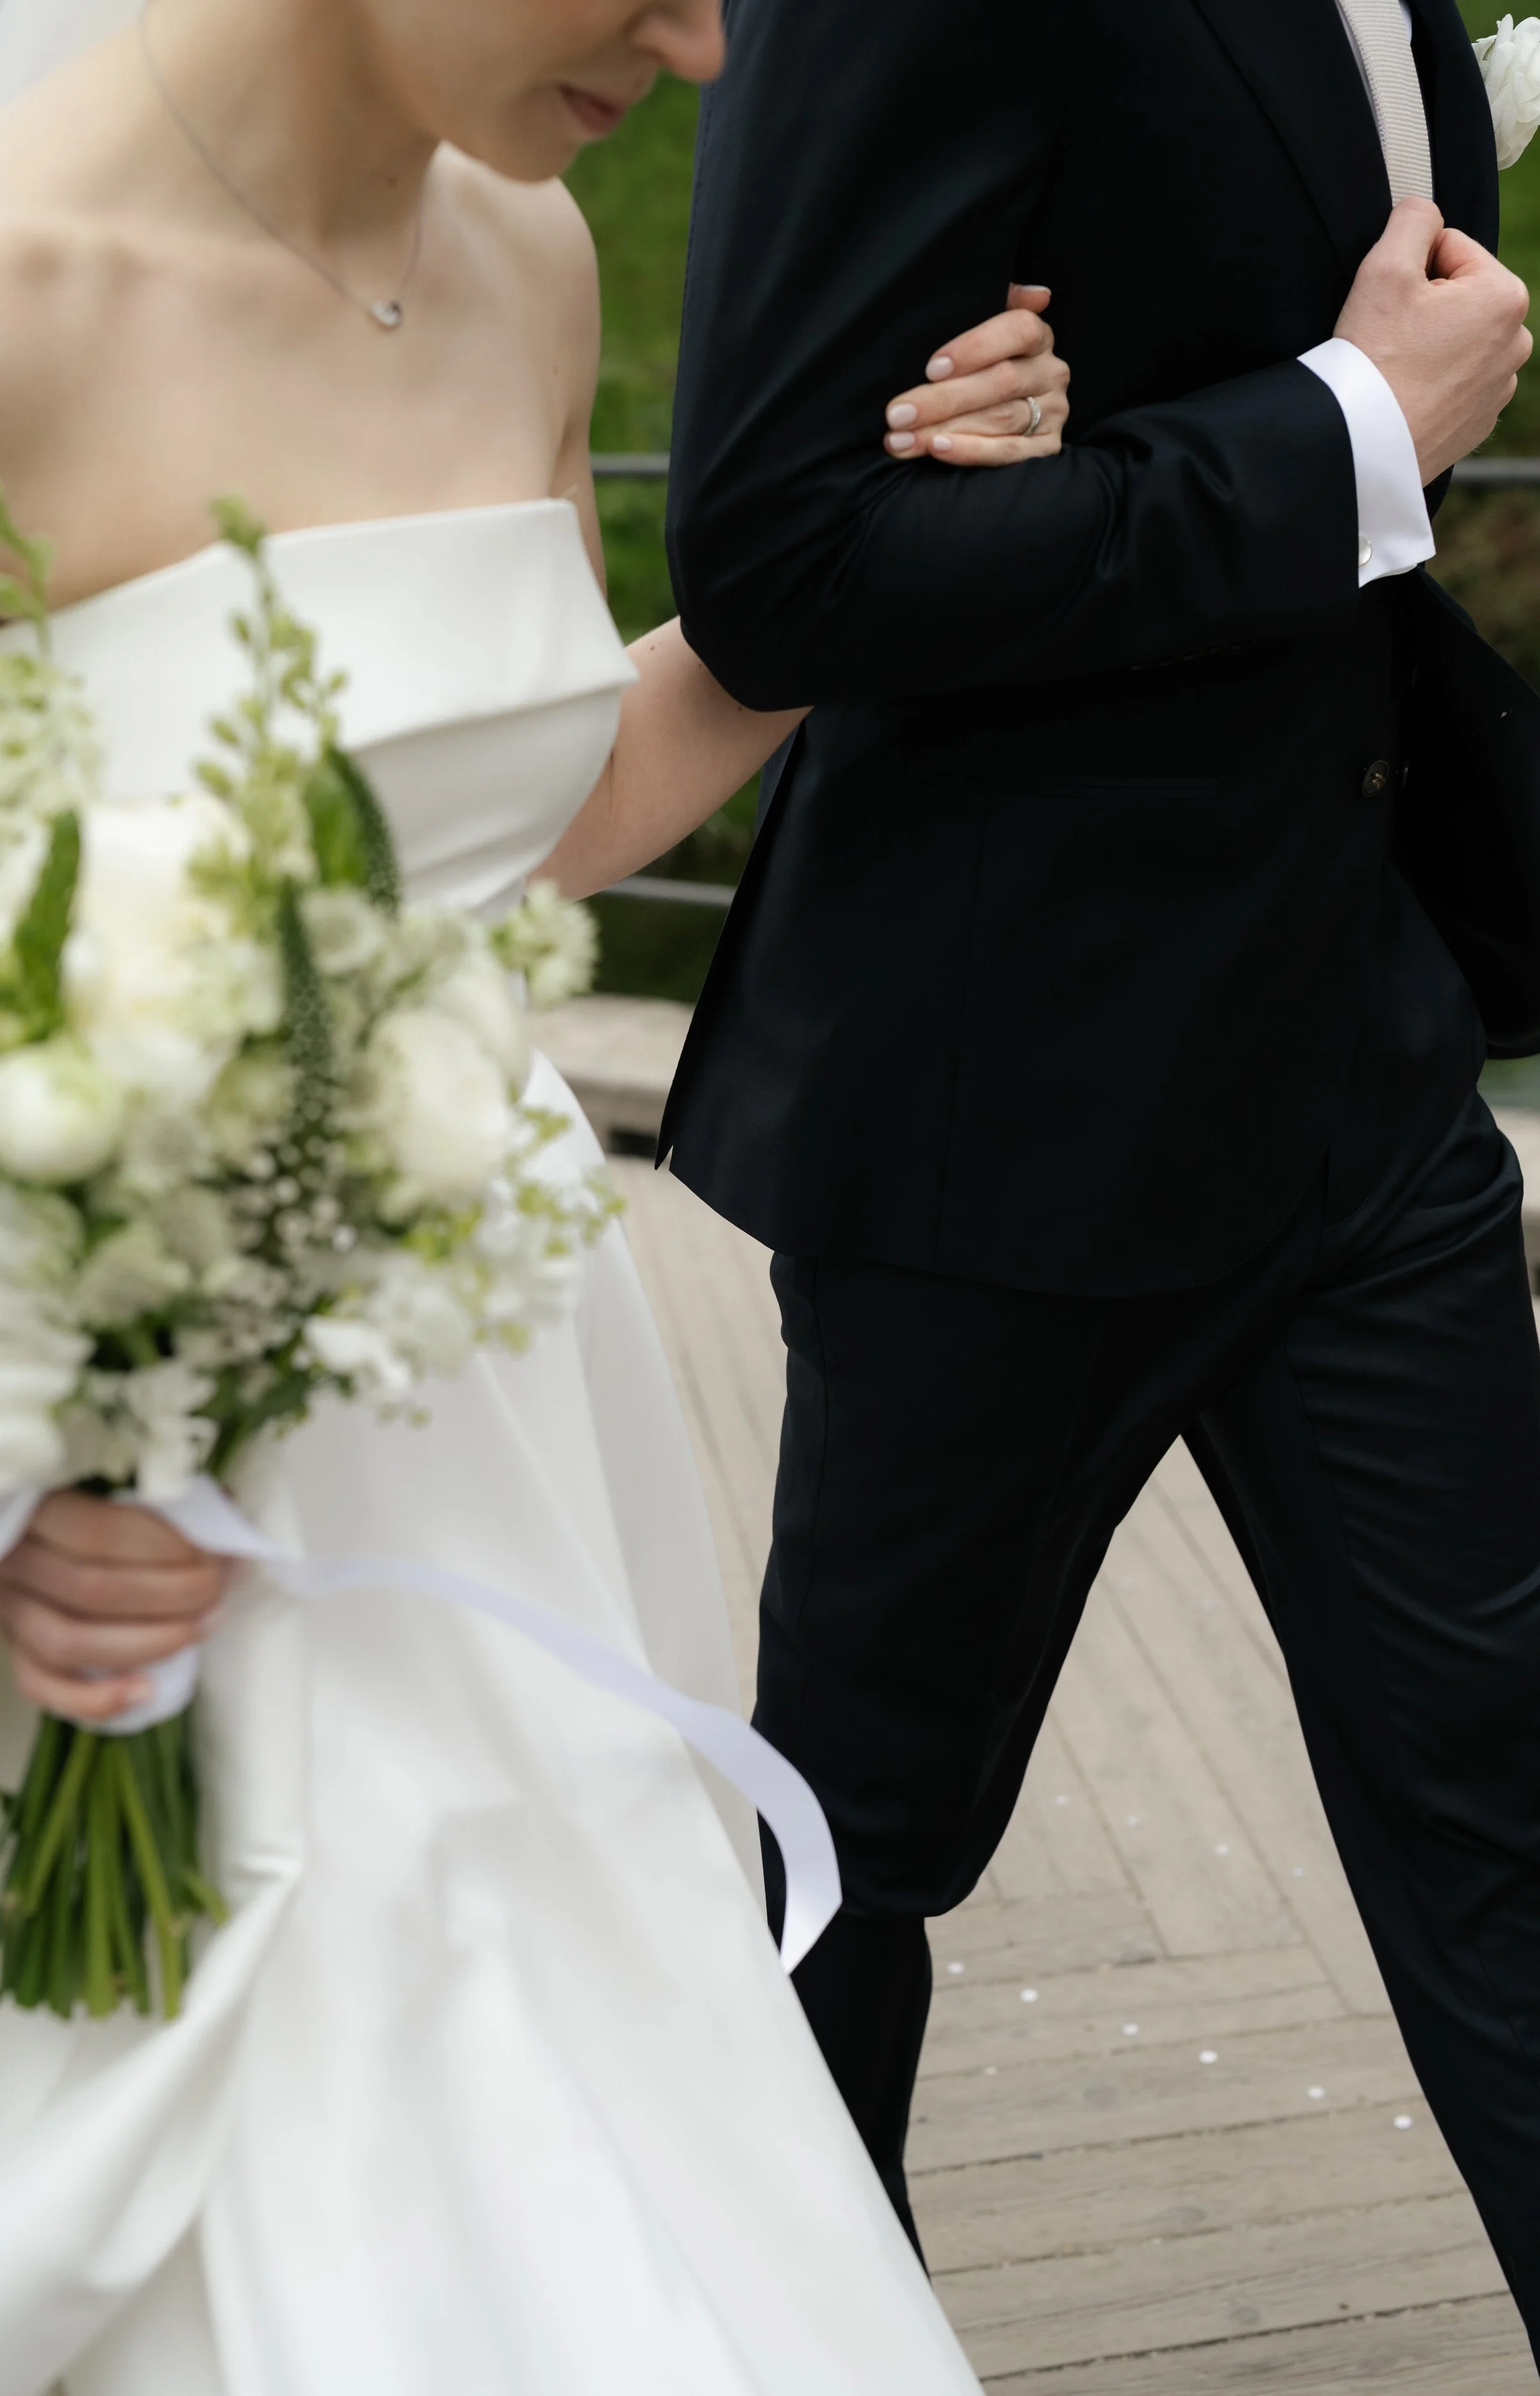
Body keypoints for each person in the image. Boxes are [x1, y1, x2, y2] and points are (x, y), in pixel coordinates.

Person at [0, 1, 1071, 2388]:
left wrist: (889, 552)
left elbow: (539, 816)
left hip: (503, 1430)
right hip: (130, 1512)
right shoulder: (19, 300)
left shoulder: (526, 256)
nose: (706, 52)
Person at [561, 0, 1540, 2388]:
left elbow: (1335, 322)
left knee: (1519, 1810)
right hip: (994, 1113)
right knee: (849, 1857)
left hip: (1359, 1050)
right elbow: (782, 554)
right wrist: (1344, 426)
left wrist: (1360, 399)